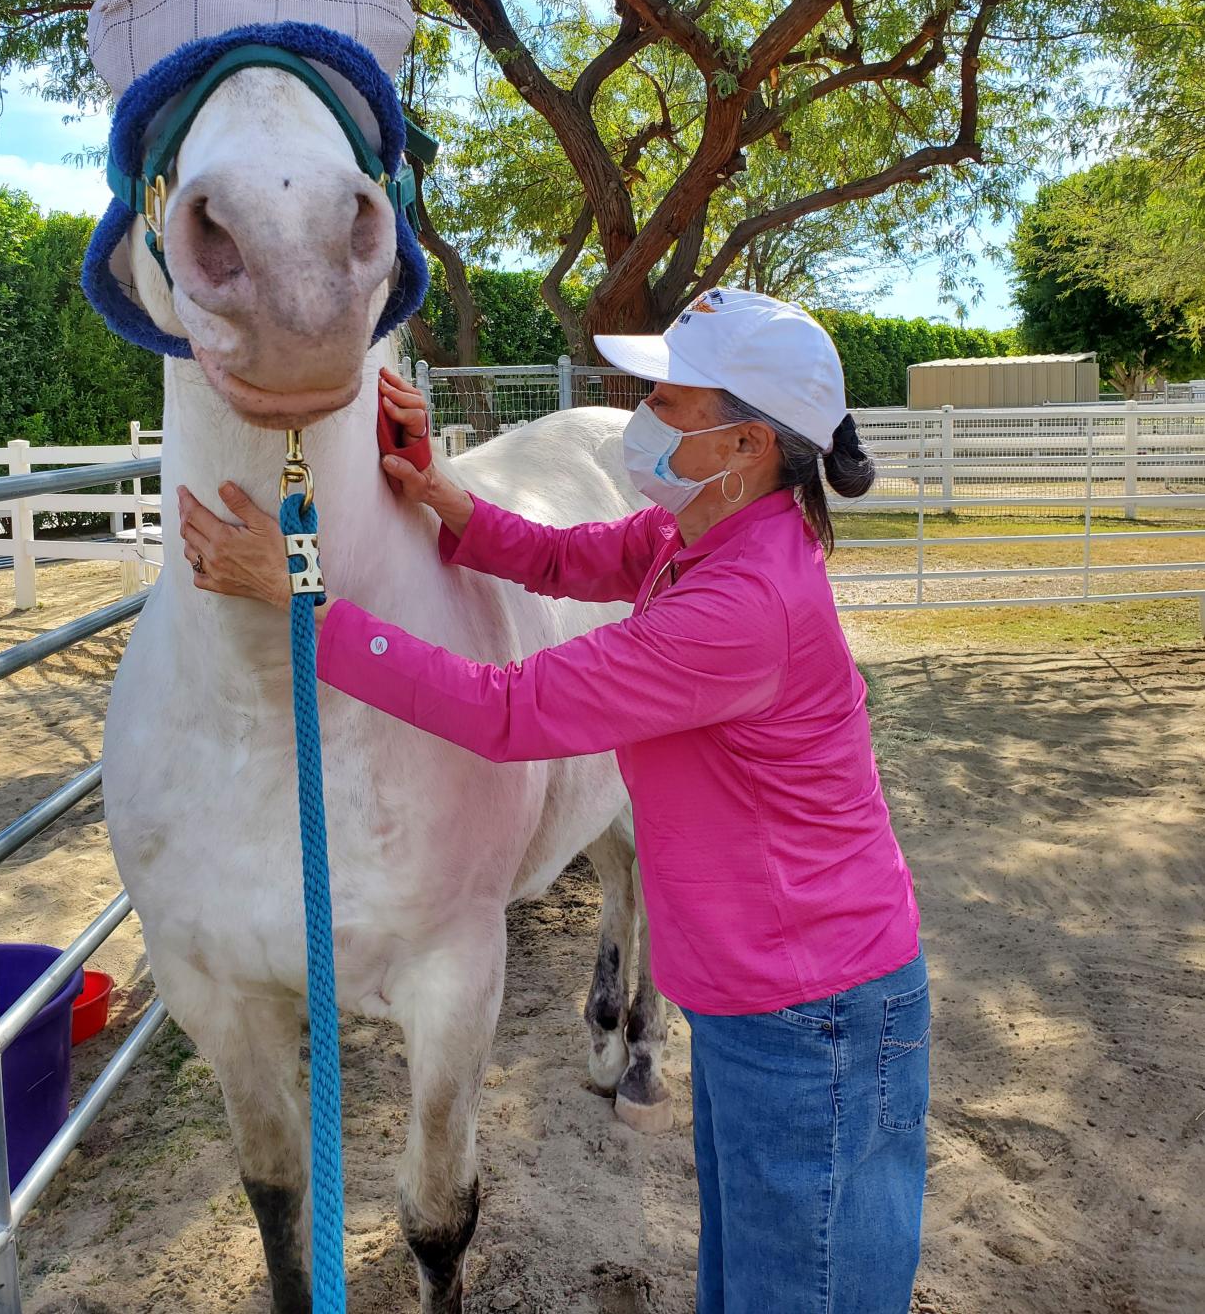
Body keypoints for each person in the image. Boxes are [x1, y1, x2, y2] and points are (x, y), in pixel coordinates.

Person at [178, 289, 929, 1314]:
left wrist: (304, 599)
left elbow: (510, 711)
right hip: (768, 998)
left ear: (746, 443)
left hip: (815, 1016)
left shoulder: (739, 607)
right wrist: (438, 490)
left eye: (671, 397)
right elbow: (566, 557)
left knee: (805, 1289)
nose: (644, 413)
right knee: (757, 1279)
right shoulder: (700, 534)